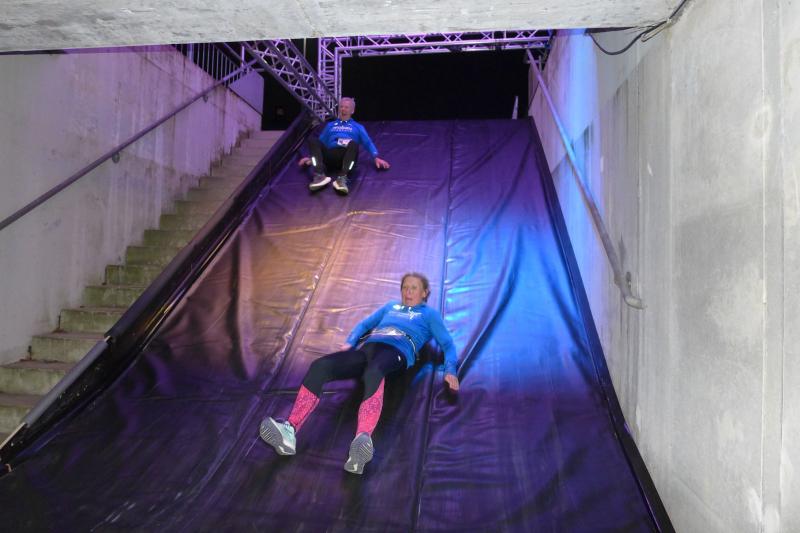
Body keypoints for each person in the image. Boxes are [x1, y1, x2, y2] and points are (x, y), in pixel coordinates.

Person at [259, 272, 459, 475]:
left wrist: (451, 370)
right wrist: (350, 342)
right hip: (368, 349)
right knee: (320, 366)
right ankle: (289, 430)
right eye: (405, 287)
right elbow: (365, 324)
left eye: (414, 288)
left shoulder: (429, 314)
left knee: (374, 372)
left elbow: (448, 344)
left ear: (425, 292)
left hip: (396, 352)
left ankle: (362, 442)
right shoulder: (391, 306)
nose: (408, 292)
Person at [298, 97, 390, 196]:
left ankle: (342, 178)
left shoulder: (358, 127)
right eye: (341, 107)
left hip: (346, 157)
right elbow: (320, 143)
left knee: (353, 144)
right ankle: (319, 175)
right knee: (313, 140)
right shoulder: (330, 125)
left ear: (352, 111)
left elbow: (368, 142)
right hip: (329, 157)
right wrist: (311, 157)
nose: (343, 109)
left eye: (346, 107)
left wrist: (375, 157)